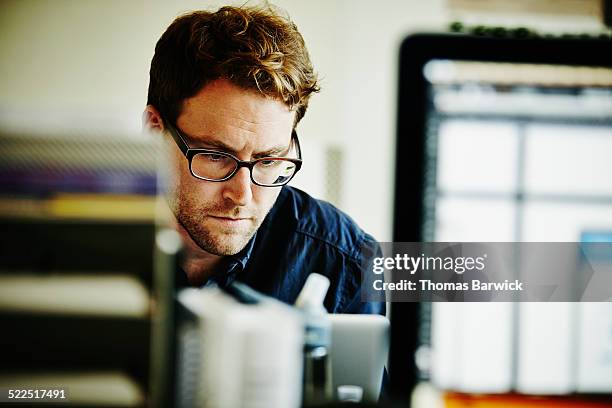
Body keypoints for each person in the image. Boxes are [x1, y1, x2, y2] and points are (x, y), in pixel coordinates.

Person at [144, 4, 383, 315]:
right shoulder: (76, 241)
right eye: (216, 156)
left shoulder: (345, 261)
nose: (242, 195)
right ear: (154, 130)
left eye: (268, 161)